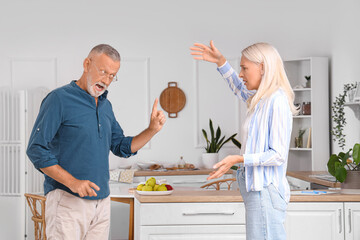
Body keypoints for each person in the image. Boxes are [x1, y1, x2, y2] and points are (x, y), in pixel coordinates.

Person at [26, 44, 166, 239]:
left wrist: (151, 130)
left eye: (112, 75)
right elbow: (36, 149)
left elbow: (121, 147)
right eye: (103, 71)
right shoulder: (59, 99)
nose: (106, 80)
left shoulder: (105, 106)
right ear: (87, 64)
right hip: (67, 200)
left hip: (102, 203)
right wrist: (73, 183)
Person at [190, 41, 297, 240]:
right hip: (256, 191)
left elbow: (278, 155)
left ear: (263, 67)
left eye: (245, 68)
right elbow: (239, 88)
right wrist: (221, 62)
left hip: (265, 192)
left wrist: (239, 159)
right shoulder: (262, 99)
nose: (241, 73)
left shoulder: (277, 101)